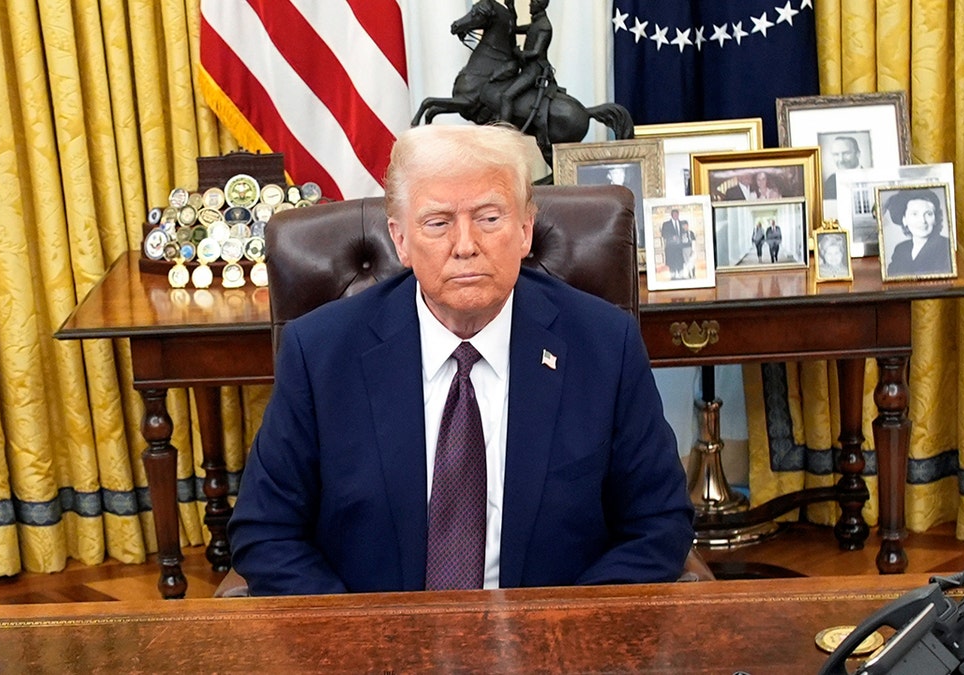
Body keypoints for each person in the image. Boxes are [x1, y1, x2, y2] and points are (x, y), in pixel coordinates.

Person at [228, 123, 694, 595]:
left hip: (547, 649)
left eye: (490, 218)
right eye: (438, 222)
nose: (466, 244)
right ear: (400, 239)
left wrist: (559, 633)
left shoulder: (603, 345)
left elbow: (659, 523)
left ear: (525, 229)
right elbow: (265, 532)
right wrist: (363, 641)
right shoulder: (321, 352)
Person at [496, 0, 554, 124]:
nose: (530, 4)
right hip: (528, 66)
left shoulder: (544, 26)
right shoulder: (536, 23)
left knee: (507, 96)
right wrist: (511, 8)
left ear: (540, 4)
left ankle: (504, 133)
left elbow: (536, 52)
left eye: (533, 2)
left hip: (534, 69)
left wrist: (519, 53)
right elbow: (515, 29)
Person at [884, 188, 952, 277]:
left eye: (928, 214)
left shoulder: (946, 247)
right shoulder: (900, 249)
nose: (922, 221)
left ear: (936, 219)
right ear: (904, 220)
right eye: (915, 214)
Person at [660, 209, 686, 279]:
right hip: (671, 248)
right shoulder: (666, 224)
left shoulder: (682, 223)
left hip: (680, 248)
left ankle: (681, 276)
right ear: (672, 215)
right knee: (672, 263)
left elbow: (685, 233)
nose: (676, 216)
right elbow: (663, 234)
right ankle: (673, 277)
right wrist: (672, 237)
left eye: (677, 214)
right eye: (674, 214)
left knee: (680, 263)